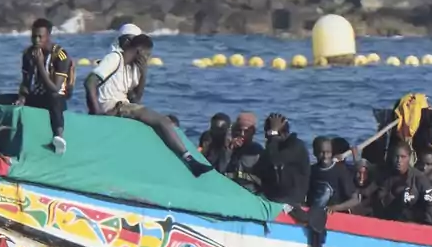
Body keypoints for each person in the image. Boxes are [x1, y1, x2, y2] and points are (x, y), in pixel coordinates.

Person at [85, 34, 199, 167]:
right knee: (162, 121)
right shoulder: (115, 58)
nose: (148, 59)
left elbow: (136, 100)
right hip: (112, 106)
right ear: (139, 51)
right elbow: (90, 82)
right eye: (147, 55)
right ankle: (188, 158)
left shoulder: (132, 69)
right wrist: (97, 113)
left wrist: (144, 72)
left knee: (151, 125)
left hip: (124, 106)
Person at [15, 18, 74, 154]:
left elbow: (55, 88)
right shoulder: (28, 54)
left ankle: (59, 136)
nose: (36, 40)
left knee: (54, 97)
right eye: (34, 36)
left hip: (57, 98)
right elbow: (25, 81)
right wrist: (22, 97)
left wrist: (40, 65)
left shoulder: (60, 55)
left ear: (48, 36)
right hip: (37, 96)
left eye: (40, 37)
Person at [257, 113, 312, 207]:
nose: (267, 138)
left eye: (269, 134)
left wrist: (273, 135)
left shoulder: (296, 146)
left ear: (283, 134)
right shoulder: (273, 148)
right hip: (274, 197)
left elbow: (275, 159)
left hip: (292, 201)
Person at [376, 141, 432, 223]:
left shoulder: (419, 177)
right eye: (396, 157)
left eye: (403, 157)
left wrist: (426, 223)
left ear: (409, 157)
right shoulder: (386, 177)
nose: (399, 160)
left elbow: (431, 202)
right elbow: (380, 202)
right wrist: (394, 194)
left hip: (413, 223)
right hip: (390, 221)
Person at [308, 136, 360, 213]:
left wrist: (335, 208)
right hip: (314, 214)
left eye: (328, 152)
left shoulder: (341, 171)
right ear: (315, 153)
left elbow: (355, 200)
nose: (325, 156)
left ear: (332, 152)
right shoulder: (311, 170)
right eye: (321, 152)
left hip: (336, 216)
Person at [219, 113, 265, 193]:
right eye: (239, 130)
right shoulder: (225, 149)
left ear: (253, 132)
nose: (242, 134)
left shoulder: (257, 152)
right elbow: (219, 171)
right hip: (227, 190)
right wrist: (228, 150)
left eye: (246, 131)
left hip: (250, 193)